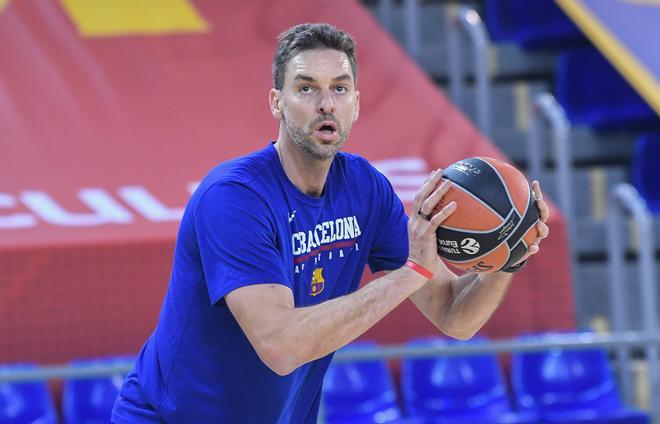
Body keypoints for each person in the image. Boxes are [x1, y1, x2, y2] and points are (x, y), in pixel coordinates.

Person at [112, 22, 550, 423]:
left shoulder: (365, 189)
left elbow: (456, 317)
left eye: (340, 89)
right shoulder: (234, 198)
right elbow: (280, 346)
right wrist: (410, 273)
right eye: (306, 89)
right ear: (276, 102)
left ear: (357, 104)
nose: (326, 104)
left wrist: (509, 251)